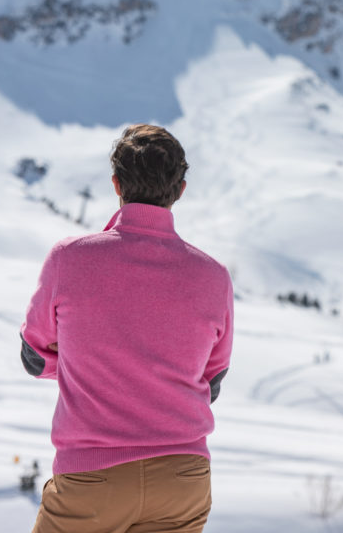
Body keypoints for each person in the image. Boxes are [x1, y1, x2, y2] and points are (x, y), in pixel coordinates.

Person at [20, 123, 234, 533]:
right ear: (181, 190)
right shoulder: (214, 276)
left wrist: (78, 362)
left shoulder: (71, 259)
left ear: (116, 184)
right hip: (182, 479)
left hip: (94, 478)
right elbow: (212, 379)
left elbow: (34, 354)